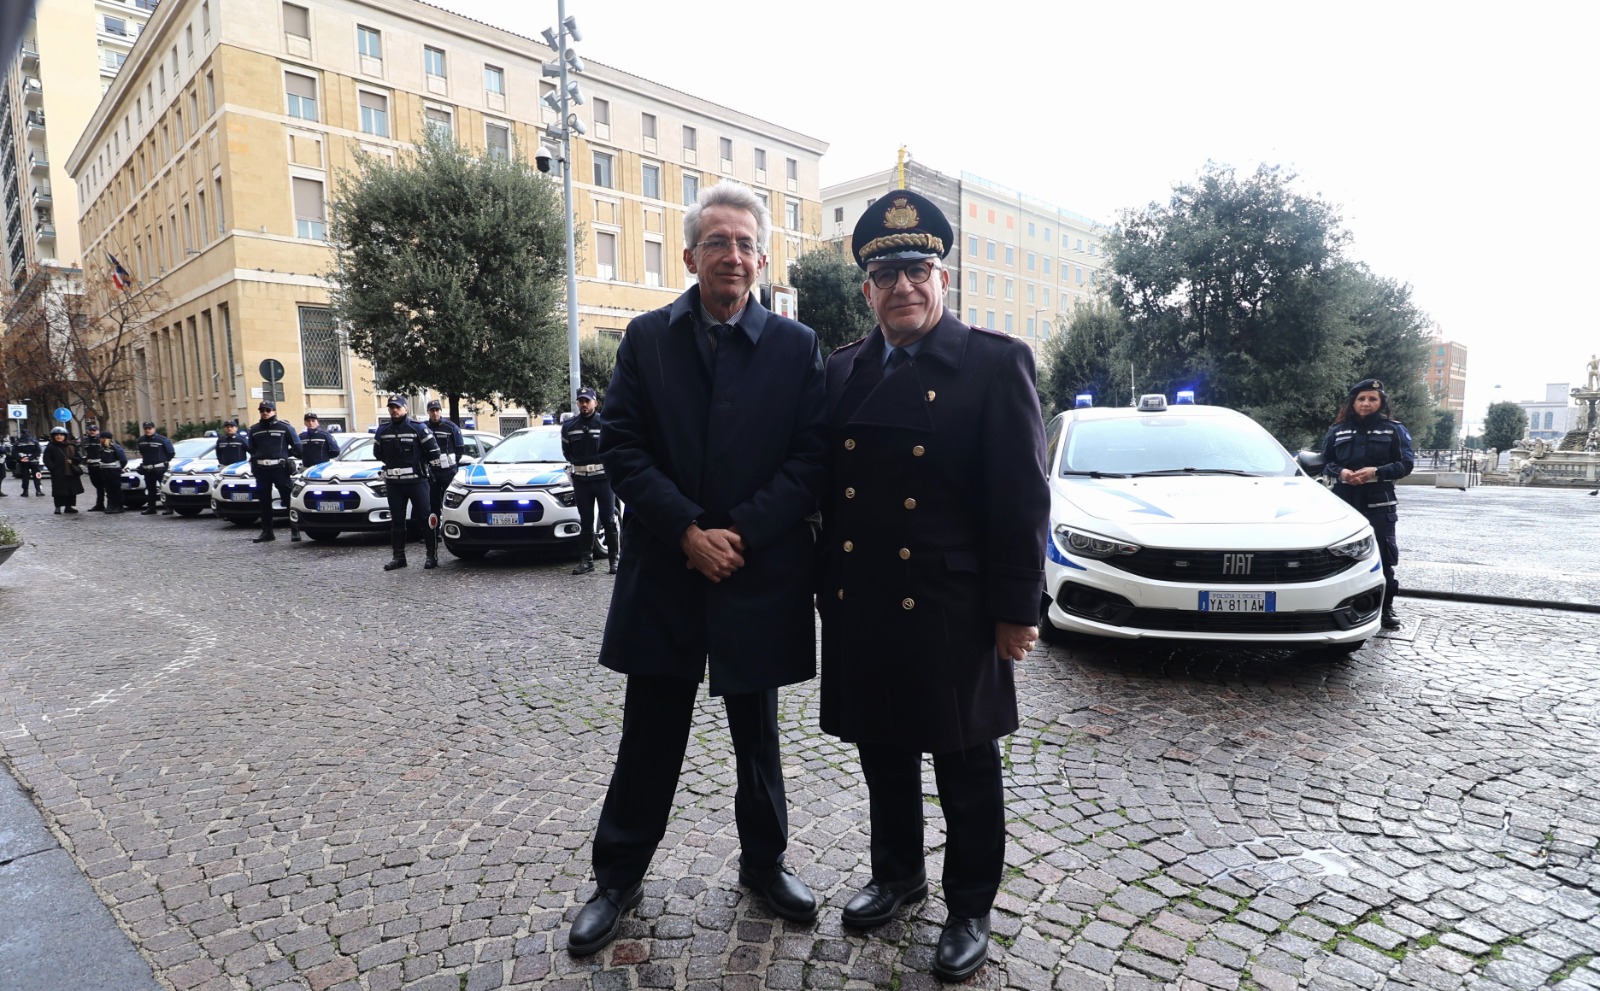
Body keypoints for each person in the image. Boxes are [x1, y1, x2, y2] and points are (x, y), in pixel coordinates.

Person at [566, 181, 827, 957]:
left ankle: (765, 862)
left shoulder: (795, 345)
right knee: (649, 735)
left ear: (762, 257)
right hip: (667, 570)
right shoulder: (647, 338)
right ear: (690, 255)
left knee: (759, 737)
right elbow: (621, 447)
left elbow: (810, 459)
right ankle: (617, 876)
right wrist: (686, 530)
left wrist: (736, 532)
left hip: (755, 571)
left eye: (747, 243)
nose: (734, 256)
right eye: (718, 242)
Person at [817, 190, 1049, 983]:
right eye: (886, 274)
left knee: (965, 763)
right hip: (864, 596)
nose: (903, 286)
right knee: (883, 751)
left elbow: (1022, 497)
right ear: (866, 288)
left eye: (918, 268)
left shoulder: (994, 361)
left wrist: (1019, 608)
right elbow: (824, 488)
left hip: (952, 604)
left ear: (943, 277)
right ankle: (898, 874)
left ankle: (970, 904)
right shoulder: (842, 367)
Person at [1320, 377, 1415, 630]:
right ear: (1353, 403)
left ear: (1381, 402)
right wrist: (1340, 473)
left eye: (1372, 399)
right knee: (1337, 555)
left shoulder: (1394, 429)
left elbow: (1406, 464)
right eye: (1361, 399)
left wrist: (1376, 471)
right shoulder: (1337, 431)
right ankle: (1336, 607)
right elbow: (1324, 461)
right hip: (1344, 502)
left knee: (1383, 557)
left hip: (1379, 504)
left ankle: (1386, 609)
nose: (1366, 403)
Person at [372, 395, 442, 570]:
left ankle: (431, 556)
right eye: (391, 407)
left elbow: (434, 452)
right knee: (397, 520)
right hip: (394, 483)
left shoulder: (418, 429)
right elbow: (378, 453)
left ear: (405, 409)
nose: (394, 410)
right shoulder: (382, 431)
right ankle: (399, 557)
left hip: (417, 482)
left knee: (425, 518)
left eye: (397, 407)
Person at [561, 387, 618, 575]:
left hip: (603, 480)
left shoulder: (605, 423)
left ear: (595, 402)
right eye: (581, 401)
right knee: (585, 522)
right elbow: (567, 452)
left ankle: (614, 560)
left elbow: (613, 449)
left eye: (587, 401)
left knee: (609, 520)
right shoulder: (569, 426)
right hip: (582, 481)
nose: (584, 405)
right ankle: (586, 561)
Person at [247, 400, 303, 543]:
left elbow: (298, 447)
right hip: (261, 470)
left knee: (288, 499)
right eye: (262, 410)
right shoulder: (254, 429)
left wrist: (283, 455)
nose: (265, 413)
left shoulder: (284, 428)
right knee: (264, 501)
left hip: (279, 469)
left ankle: (295, 531)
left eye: (268, 410)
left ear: (274, 411)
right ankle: (267, 532)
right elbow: (252, 448)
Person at [423, 399, 464, 544]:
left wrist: (452, 465)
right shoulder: (424, 428)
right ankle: (434, 533)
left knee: (449, 503)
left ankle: (450, 530)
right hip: (431, 471)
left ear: (441, 411)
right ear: (428, 412)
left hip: (448, 471)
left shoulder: (451, 427)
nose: (435, 413)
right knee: (432, 503)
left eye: (437, 410)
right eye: (432, 410)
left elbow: (460, 448)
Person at [135, 422, 176, 515]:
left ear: (154, 428)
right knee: (150, 489)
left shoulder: (162, 439)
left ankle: (168, 507)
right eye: (146, 428)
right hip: (148, 468)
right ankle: (151, 507)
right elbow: (143, 453)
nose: (148, 430)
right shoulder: (141, 440)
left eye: (149, 428)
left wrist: (163, 461)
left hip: (160, 468)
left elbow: (171, 453)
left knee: (164, 489)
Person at [42, 426, 84, 514]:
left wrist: (73, 461)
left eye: (61, 435)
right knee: (59, 491)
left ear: (65, 436)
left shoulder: (71, 446)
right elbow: (47, 459)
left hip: (71, 472)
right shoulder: (51, 447)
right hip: (58, 473)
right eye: (56, 435)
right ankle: (58, 507)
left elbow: (78, 458)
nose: (59, 437)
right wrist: (53, 468)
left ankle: (69, 507)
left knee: (71, 490)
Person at [89, 430, 129, 514]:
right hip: (105, 470)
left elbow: (123, 459)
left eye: (101, 438)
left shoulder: (115, 447)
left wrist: (119, 468)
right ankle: (111, 505)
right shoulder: (103, 447)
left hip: (113, 471)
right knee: (109, 490)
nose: (99, 439)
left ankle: (118, 506)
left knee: (116, 489)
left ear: (105, 439)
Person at [81, 422, 108, 510]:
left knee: (105, 485)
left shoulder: (101, 439)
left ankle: (110, 504)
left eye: (94, 430)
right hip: (91, 465)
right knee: (97, 485)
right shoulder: (85, 440)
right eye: (91, 430)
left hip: (100, 466)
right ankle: (99, 504)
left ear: (98, 431)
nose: (92, 432)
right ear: (88, 431)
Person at [13, 428, 43, 497]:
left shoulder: (18, 442)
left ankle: (25, 492)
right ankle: (38, 491)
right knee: (37, 476)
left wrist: (20, 459)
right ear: (29, 433)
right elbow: (38, 451)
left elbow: (14, 452)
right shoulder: (34, 441)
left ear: (21, 433)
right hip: (34, 461)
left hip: (23, 462)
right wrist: (31, 457)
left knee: (25, 477)